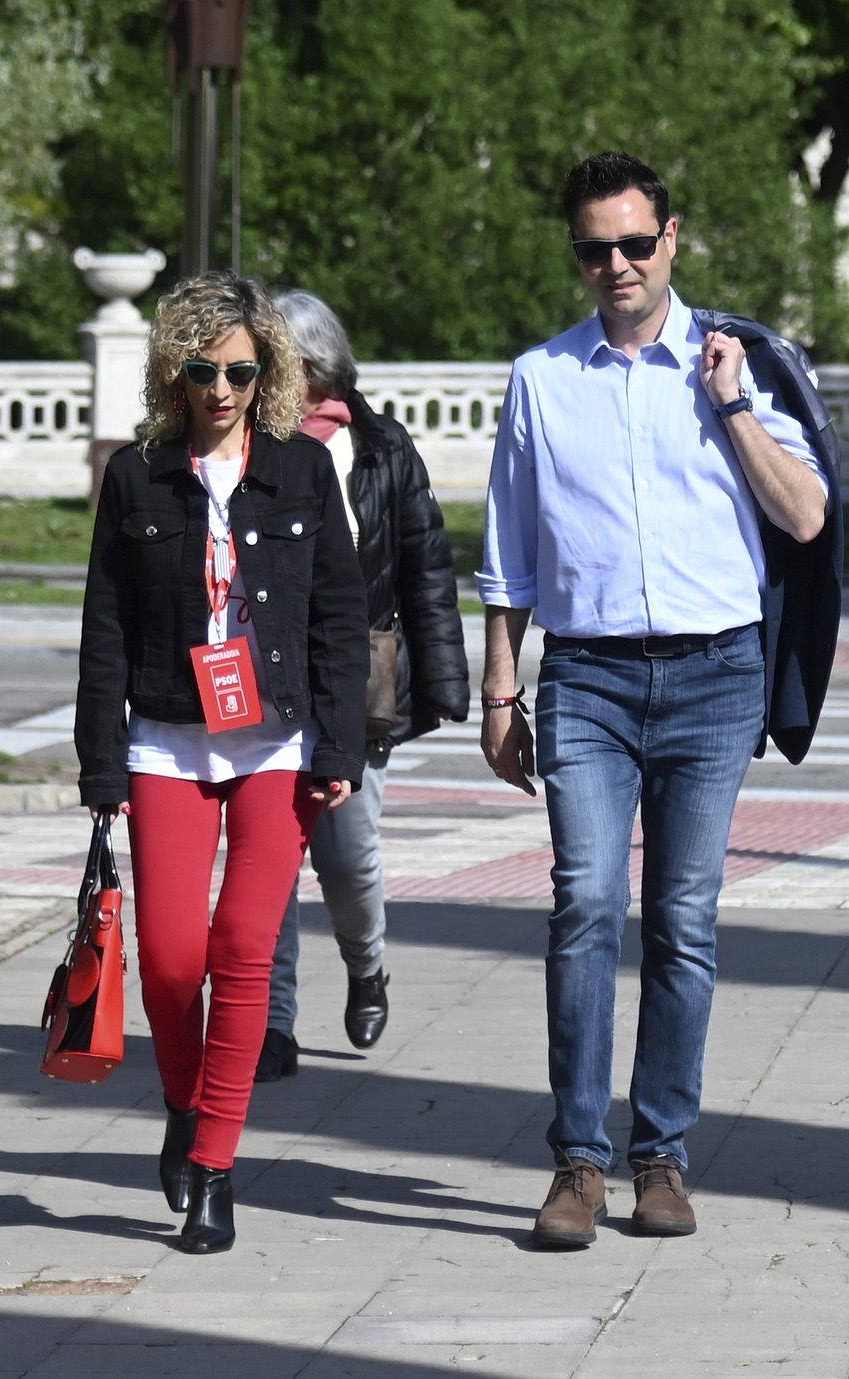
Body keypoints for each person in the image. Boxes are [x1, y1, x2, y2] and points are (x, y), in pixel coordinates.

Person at [477, 151, 841, 1247]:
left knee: (682, 920)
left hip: (714, 675)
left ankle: (661, 1154)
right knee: (585, 903)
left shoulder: (739, 362)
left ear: (670, 238)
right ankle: (577, 1163)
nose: (618, 264)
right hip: (585, 677)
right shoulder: (541, 377)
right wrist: (503, 689)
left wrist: (728, 405)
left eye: (636, 243)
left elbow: (806, 515)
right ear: (576, 254)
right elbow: (508, 552)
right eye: (596, 248)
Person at [74, 270, 369, 1254]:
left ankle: (214, 1164)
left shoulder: (298, 470)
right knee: (168, 957)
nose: (222, 387)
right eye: (203, 368)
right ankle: (184, 1099)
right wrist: (99, 764)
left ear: (267, 371)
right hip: (164, 736)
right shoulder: (137, 477)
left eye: (241, 369)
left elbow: (337, 614)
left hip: (277, 740)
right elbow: (104, 627)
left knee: (243, 945)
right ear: (176, 370)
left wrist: (340, 742)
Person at [254, 290, 470, 1081]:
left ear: (317, 367)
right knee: (268, 856)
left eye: (282, 365)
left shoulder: (380, 447)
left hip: (360, 682)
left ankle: (365, 964)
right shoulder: (249, 441)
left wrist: (445, 680)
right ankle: (272, 1022)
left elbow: (426, 567)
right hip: (270, 684)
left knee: (347, 859)